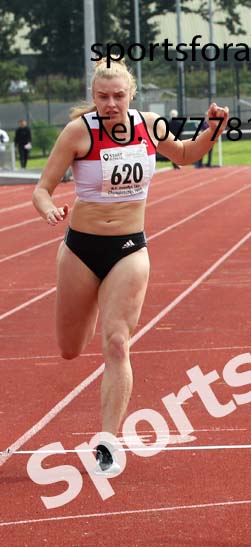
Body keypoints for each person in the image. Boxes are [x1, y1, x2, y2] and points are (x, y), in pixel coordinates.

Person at [31, 59, 228, 475]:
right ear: (93, 95)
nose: (110, 104)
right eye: (102, 96)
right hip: (81, 249)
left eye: (118, 96)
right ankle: (91, 312)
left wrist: (212, 129)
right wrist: (49, 209)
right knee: (71, 348)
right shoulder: (78, 132)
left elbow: (188, 154)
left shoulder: (151, 127)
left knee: (117, 342)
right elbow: (42, 188)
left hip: (129, 249)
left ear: (131, 94)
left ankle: (107, 440)